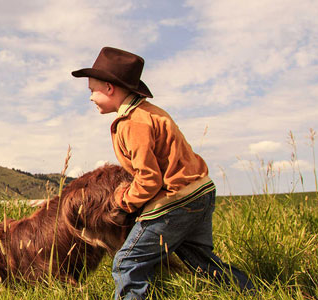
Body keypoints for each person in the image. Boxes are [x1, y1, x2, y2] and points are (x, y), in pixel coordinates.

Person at [71, 47, 255, 299]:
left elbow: (149, 179)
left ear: (109, 88)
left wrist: (122, 200)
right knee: (203, 263)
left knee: (127, 262)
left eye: (92, 91)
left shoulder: (133, 122)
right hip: (199, 192)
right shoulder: (151, 112)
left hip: (175, 201)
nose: (91, 97)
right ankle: (254, 292)